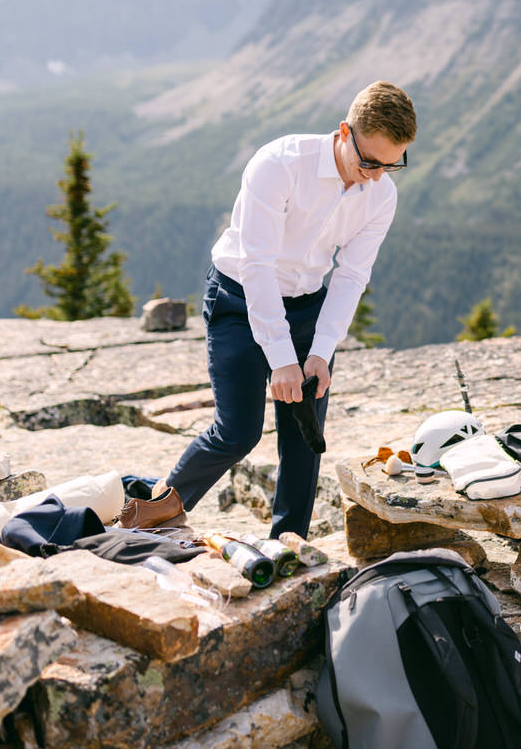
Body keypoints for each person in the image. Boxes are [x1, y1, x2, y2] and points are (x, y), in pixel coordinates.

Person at [163, 81, 417, 539]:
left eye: (391, 165)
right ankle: (154, 507)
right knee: (237, 433)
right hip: (239, 299)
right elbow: (257, 265)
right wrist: (281, 357)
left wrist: (320, 350)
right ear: (344, 133)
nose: (378, 175)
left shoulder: (380, 194)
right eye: (369, 162)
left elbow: (351, 276)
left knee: (305, 440)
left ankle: (289, 545)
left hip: (308, 308)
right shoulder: (278, 164)